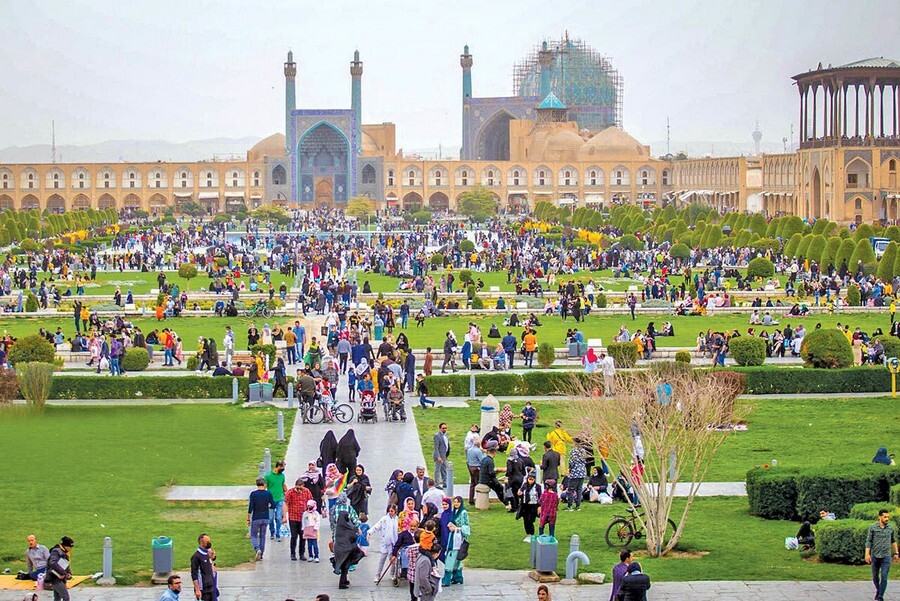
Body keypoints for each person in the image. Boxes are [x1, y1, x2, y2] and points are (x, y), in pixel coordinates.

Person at [865, 508, 898, 601]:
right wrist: (867, 554)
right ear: (880, 517)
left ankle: (880, 596)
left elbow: (893, 540)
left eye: (888, 517)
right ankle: (879, 590)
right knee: (875, 577)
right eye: (885, 517)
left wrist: (896, 553)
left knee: (884, 576)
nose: (887, 519)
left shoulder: (891, 528)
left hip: (886, 556)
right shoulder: (873, 528)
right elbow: (869, 541)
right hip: (875, 556)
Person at [332, 504, 365, 589]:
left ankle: (345, 580)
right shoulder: (348, 527)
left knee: (343, 566)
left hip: (338, 550)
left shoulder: (339, 527)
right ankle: (342, 583)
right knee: (345, 566)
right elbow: (353, 537)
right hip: (346, 550)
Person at [442, 496, 470, 586]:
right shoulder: (454, 512)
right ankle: (457, 577)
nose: (456, 504)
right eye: (455, 502)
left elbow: (466, 526)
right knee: (453, 556)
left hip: (458, 538)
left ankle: (448, 579)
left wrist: (457, 529)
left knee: (453, 557)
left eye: (458, 502)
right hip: (452, 536)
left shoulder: (463, 512)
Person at [284, 478, 313, 561]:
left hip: (303, 517)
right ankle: (292, 553)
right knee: (294, 536)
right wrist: (284, 516)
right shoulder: (290, 492)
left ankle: (302, 554)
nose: (299, 490)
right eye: (297, 488)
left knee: (303, 536)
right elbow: (286, 503)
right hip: (293, 516)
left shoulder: (306, 491)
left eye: (300, 488)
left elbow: (311, 502)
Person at [248, 477, 275, 561]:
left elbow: (250, 508)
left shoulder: (253, 494)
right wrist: (268, 506)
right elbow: (273, 505)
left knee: (253, 535)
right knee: (263, 536)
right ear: (264, 484)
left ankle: (257, 549)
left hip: (256, 517)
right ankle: (261, 554)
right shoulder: (268, 493)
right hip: (265, 517)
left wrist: (248, 519)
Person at [372, 505, 399, 582]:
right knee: (382, 559)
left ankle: (392, 573)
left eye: (392, 511)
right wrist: (370, 532)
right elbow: (377, 526)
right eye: (389, 511)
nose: (390, 513)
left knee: (393, 560)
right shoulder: (384, 519)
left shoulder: (397, 520)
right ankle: (378, 574)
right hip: (385, 543)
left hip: (393, 543)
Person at [265, 460, 288, 542]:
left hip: (280, 498)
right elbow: (265, 486)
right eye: (283, 467)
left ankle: (278, 534)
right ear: (278, 466)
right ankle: (272, 531)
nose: (283, 469)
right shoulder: (268, 476)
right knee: (270, 518)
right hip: (270, 500)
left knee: (278, 518)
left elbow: (283, 485)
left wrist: (287, 493)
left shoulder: (282, 476)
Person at [46, 536, 74, 601]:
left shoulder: (64, 552)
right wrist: (64, 573)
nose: (71, 549)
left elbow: (66, 564)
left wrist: (69, 573)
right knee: (65, 597)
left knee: (57, 598)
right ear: (66, 546)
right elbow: (53, 563)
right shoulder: (56, 552)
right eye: (70, 547)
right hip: (55, 577)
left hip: (60, 577)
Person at [517, 470, 542, 541]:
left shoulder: (537, 487)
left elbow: (540, 497)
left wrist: (539, 506)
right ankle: (528, 534)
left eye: (532, 479)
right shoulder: (524, 485)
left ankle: (532, 534)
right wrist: (519, 493)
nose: (530, 481)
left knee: (530, 520)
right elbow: (520, 493)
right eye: (529, 479)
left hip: (533, 505)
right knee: (525, 520)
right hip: (525, 505)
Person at [191, 534, 215, 601]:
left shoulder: (207, 554)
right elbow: (194, 574)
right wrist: (197, 589)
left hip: (211, 587)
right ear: (201, 542)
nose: (209, 543)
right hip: (203, 590)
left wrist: (211, 559)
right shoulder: (196, 556)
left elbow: (212, 570)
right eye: (207, 542)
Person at [566, 439, 587, 511]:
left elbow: (571, 462)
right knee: (579, 489)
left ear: (575, 443)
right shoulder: (583, 451)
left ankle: (570, 505)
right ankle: (578, 505)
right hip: (582, 471)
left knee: (571, 489)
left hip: (575, 472)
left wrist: (569, 468)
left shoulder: (574, 451)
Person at [466, 436, 484, 506]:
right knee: (478, 484)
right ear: (478, 444)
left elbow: (467, 460)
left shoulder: (469, 450)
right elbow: (482, 460)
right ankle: (479, 499)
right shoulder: (478, 451)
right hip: (476, 468)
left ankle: (471, 499)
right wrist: (484, 454)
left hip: (470, 467)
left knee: (472, 484)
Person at [433, 422, 450, 488]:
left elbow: (447, 445)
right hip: (439, 456)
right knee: (437, 470)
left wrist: (447, 454)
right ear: (440, 428)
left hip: (444, 455)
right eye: (443, 428)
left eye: (446, 428)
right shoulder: (437, 436)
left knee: (444, 469)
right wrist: (438, 457)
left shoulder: (446, 435)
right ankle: (436, 483)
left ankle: (444, 482)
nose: (445, 429)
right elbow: (436, 447)